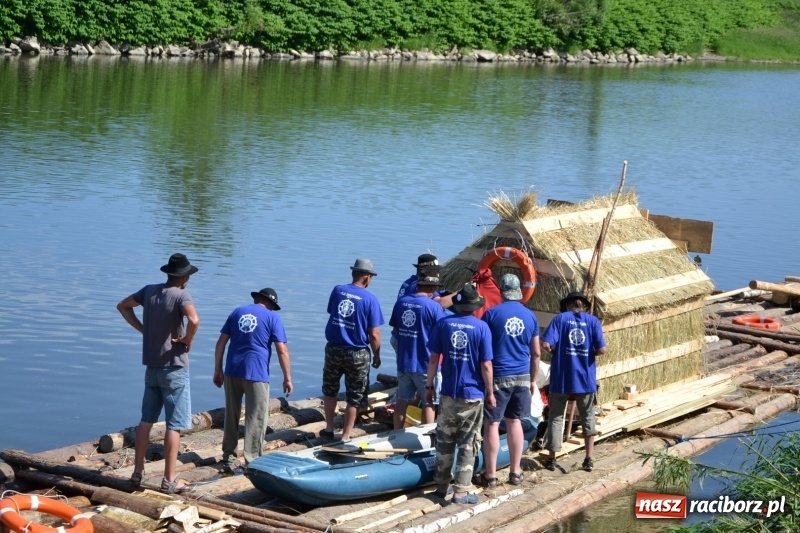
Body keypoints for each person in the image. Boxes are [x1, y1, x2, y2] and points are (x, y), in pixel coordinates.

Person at [116, 253, 200, 494]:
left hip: (151, 368)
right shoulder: (182, 295)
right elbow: (194, 320)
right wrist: (187, 339)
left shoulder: (149, 291)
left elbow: (122, 306)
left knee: (146, 420)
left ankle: (137, 473)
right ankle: (169, 480)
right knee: (174, 425)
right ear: (184, 277)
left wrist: (144, 330)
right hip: (174, 367)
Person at [425, 283, 495, 504]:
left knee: (444, 439)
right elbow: (486, 365)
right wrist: (491, 392)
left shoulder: (443, 324)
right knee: (468, 441)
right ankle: (461, 491)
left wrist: (428, 387)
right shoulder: (482, 328)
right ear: (474, 306)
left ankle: (441, 486)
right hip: (472, 394)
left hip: (448, 392)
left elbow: (434, 359)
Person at [213, 288, 293, 469]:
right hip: (256, 373)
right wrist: (287, 378)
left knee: (231, 414)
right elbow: (282, 350)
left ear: (257, 299)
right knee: (256, 417)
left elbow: (221, 342)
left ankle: (228, 456)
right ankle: (253, 460)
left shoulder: (237, 312)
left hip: (232, 370)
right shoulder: (273, 318)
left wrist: (218, 369)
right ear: (271, 304)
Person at [477, 273, 541, 487]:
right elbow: (536, 353)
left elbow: (483, 350)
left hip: (499, 376)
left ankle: (491, 475)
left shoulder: (491, 314)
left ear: (501, 291)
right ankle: (515, 472)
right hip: (522, 376)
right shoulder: (530, 316)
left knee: (492, 424)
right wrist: (532, 381)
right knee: (515, 422)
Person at [540, 291, 607, 473]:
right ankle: (588, 459)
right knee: (587, 416)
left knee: (556, 416)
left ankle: (552, 459)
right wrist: (588, 354)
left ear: (567, 305)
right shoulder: (593, 321)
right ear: (584, 306)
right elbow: (602, 349)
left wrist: (557, 352)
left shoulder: (560, 319)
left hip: (562, 376)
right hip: (584, 378)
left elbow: (545, 343)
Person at [321, 259, 384, 441]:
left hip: (333, 348)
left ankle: (329, 428)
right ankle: (346, 435)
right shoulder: (370, 299)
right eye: (371, 276)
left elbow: (332, 312)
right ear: (366, 277)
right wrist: (377, 355)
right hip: (357, 352)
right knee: (354, 395)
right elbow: (374, 333)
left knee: (330, 389)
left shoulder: (338, 290)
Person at [389, 270, 446, 428]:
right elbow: (443, 333)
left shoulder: (401, 302)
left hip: (404, 362)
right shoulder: (434, 308)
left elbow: (396, 329)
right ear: (432, 288)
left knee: (401, 401)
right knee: (428, 402)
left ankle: (397, 434)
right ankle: (426, 439)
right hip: (425, 364)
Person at [391, 253, 440, 353]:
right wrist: (458, 295)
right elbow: (439, 302)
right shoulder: (417, 285)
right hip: (410, 337)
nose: (437, 272)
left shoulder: (408, 282)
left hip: (401, 333)